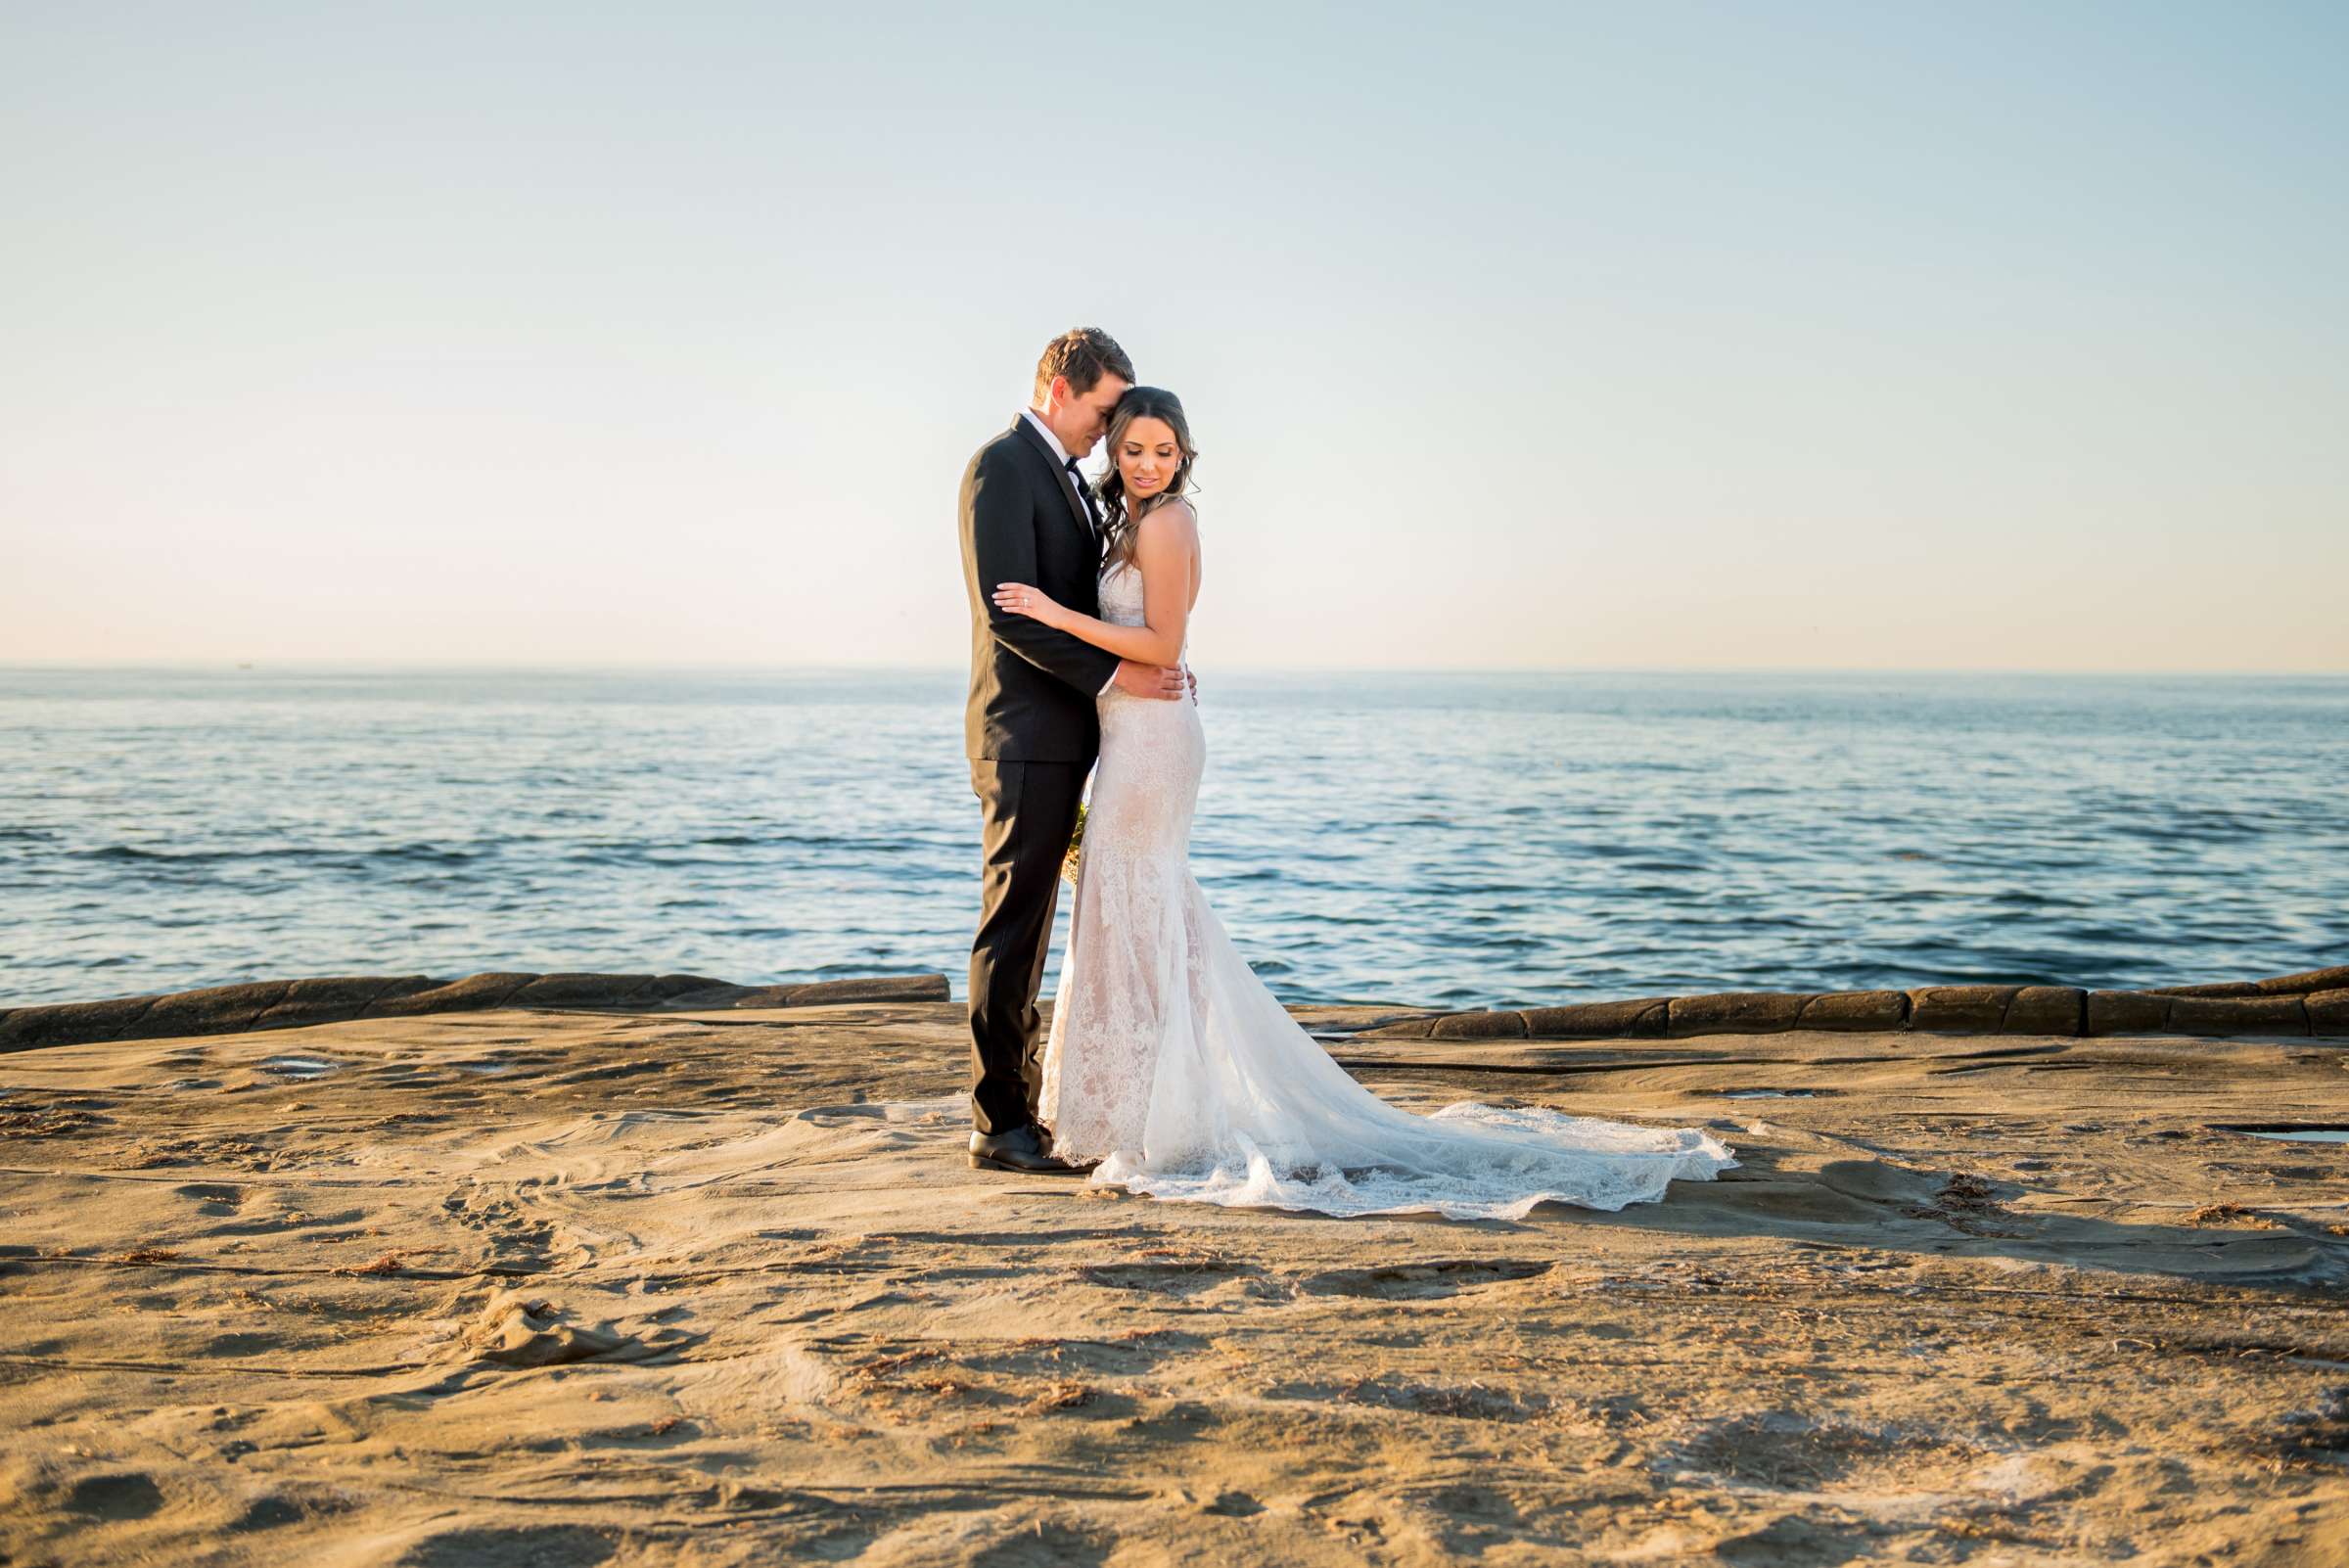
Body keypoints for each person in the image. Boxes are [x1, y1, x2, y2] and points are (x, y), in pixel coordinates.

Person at [989, 386, 1737, 1219]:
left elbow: (1164, 643)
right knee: (1132, 904)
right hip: (1134, 732)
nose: (1147, 464)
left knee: (1139, 901)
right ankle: (1135, 1104)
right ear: (1114, 451)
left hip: (1154, 739)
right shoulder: (1129, 524)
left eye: (1164, 452)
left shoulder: (1169, 523)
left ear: (1184, 456)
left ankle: (1153, 1112)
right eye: (1133, 449)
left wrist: (1057, 611)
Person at [958, 328, 1191, 1175]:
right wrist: (1119, 677)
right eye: (1103, 411)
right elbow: (1009, 614)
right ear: (1061, 387)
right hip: (1023, 735)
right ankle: (1000, 1124)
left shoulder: (1070, 480)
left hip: (1075, 738)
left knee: (1040, 924)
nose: (1108, 429)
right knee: (1014, 923)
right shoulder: (1002, 466)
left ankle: (1025, 1108)